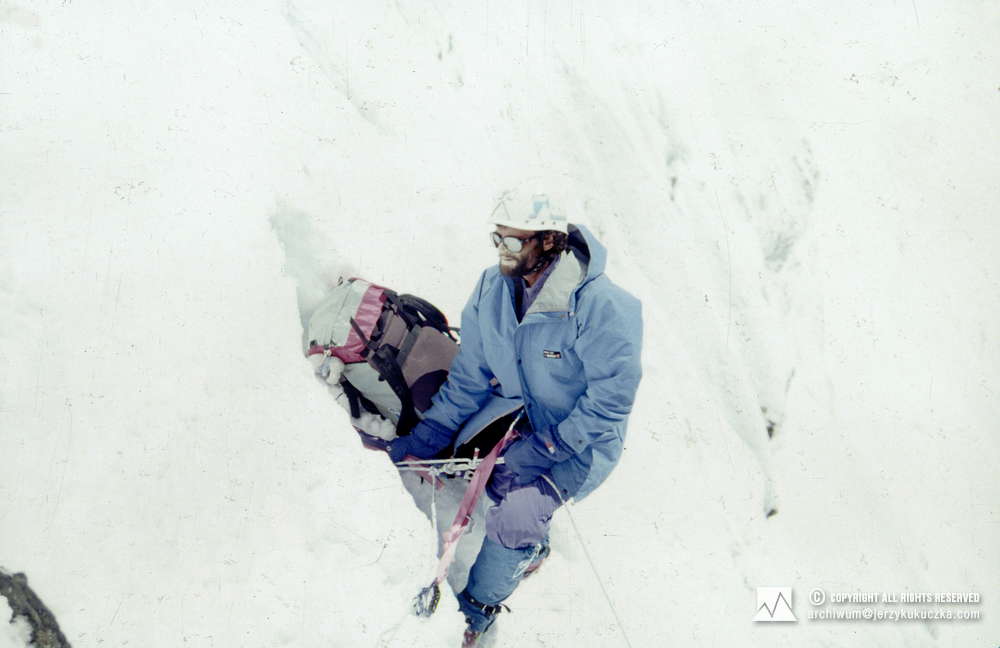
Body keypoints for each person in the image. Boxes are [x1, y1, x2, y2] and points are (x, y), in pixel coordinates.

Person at [388, 187, 643, 645]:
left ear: (548, 241)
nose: (501, 252)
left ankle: (478, 611)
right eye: (497, 238)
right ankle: (522, 539)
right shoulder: (493, 288)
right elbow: (471, 373)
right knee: (494, 478)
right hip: (518, 414)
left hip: (583, 441)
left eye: (513, 241)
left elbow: (611, 401)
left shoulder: (604, 306)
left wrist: (552, 446)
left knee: (517, 517)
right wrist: (433, 431)